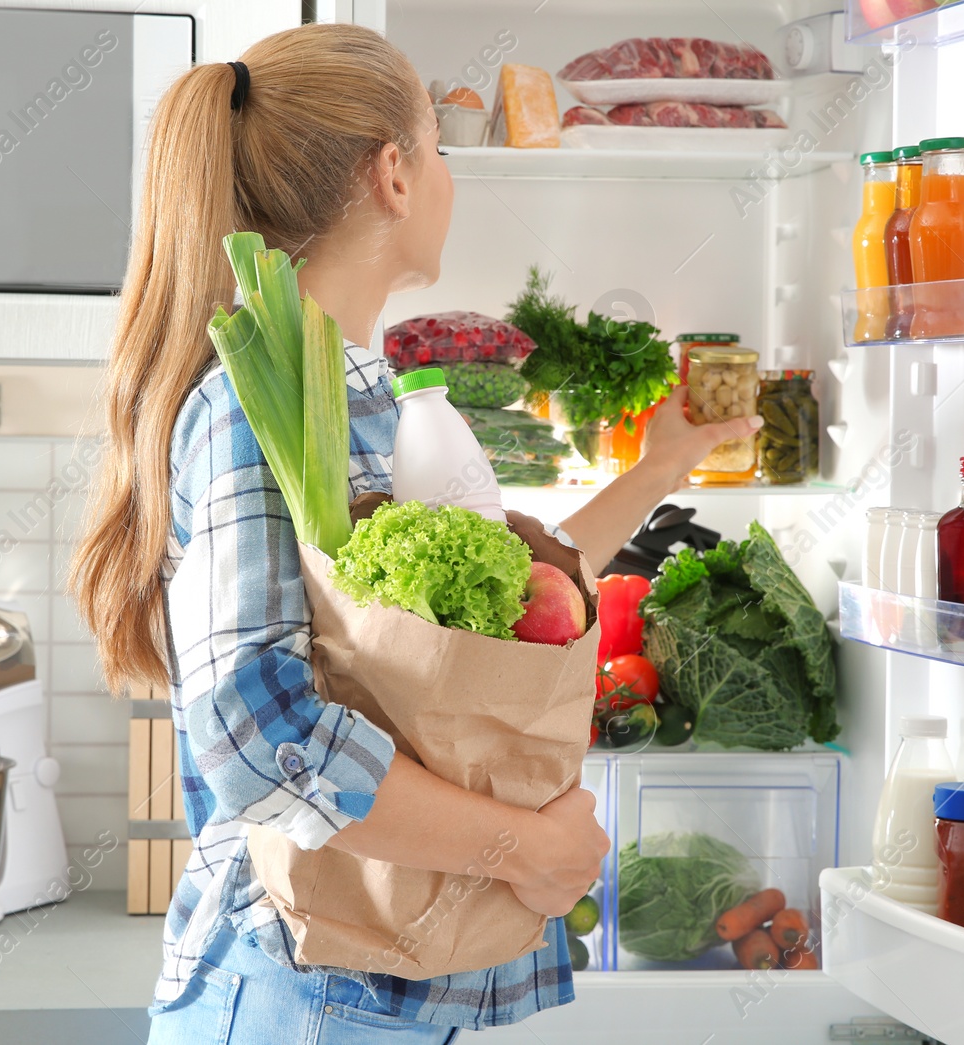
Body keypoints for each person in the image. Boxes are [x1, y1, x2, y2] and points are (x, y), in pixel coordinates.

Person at [70, 23, 764, 1045]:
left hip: (382, 983)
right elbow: (255, 730)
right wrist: (522, 848)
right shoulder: (253, 405)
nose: (446, 177)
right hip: (305, 985)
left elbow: (497, 602)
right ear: (393, 174)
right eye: (437, 148)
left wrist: (657, 469)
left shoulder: (376, 399)